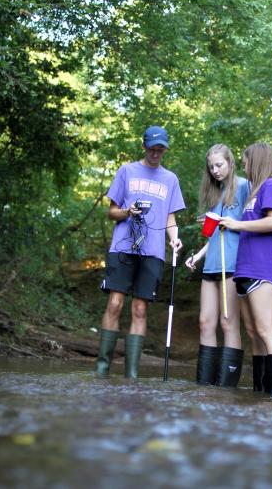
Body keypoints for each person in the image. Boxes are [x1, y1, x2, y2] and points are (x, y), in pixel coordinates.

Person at [96, 125, 185, 378]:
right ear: (144, 146)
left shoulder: (171, 179)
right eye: (153, 148)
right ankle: (102, 369)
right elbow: (112, 212)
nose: (157, 154)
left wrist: (175, 240)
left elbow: (170, 219)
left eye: (161, 150)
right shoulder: (127, 171)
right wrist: (127, 211)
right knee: (114, 304)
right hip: (123, 248)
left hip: (153, 251)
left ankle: (131, 375)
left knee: (140, 309)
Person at [219, 142, 272, 396]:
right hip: (245, 269)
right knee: (253, 333)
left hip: (264, 267)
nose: (244, 166)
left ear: (256, 162)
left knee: (265, 330)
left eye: (246, 162)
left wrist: (237, 225)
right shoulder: (255, 191)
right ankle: (260, 391)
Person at [185, 144, 249, 387]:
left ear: (231, 164)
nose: (215, 170)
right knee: (205, 322)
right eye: (211, 167)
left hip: (232, 265)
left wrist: (231, 222)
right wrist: (198, 257)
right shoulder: (215, 194)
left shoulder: (244, 187)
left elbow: (250, 225)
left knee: (228, 322)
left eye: (219, 165)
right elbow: (214, 236)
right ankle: (205, 387)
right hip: (211, 265)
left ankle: (226, 388)